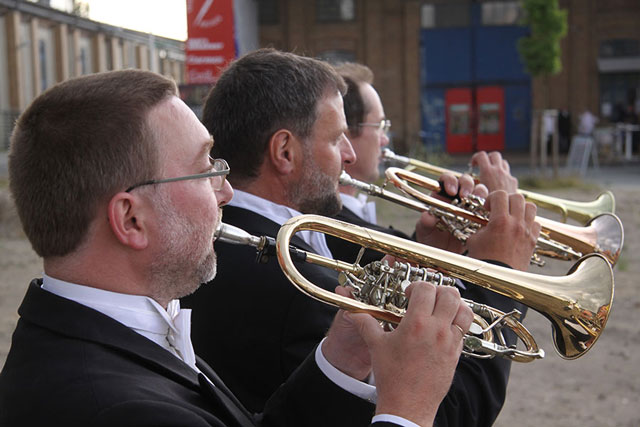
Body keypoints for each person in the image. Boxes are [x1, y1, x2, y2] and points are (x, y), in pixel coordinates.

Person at [0, 69, 475, 427]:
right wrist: (405, 411)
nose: (226, 192)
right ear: (131, 219)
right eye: (206, 168)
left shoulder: (118, 330)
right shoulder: (121, 408)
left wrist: (342, 357)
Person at [184, 48, 541, 427]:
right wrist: (499, 274)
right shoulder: (302, 292)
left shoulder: (214, 242)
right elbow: (451, 415)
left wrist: (434, 258)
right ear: (284, 151)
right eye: (337, 138)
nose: (349, 155)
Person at [327, 62, 518, 265]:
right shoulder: (344, 231)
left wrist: (433, 244)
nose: (385, 140)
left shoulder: (348, 220)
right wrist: (503, 211)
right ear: (342, 132)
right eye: (380, 125)